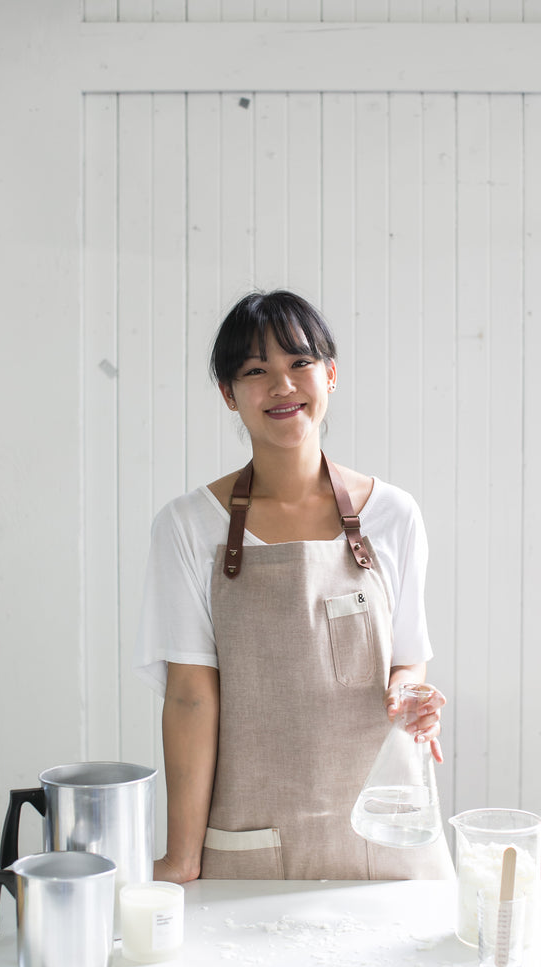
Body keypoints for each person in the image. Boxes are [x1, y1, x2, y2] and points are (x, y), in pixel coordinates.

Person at [133, 290, 454, 882]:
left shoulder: (393, 515)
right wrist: (181, 857)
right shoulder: (187, 526)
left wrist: (412, 699)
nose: (281, 385)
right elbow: (190, 698)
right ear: (229, 394)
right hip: (248, 842)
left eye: (299, 363)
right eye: (255, 371)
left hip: (389, 839)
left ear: (330, 375)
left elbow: (408, 664)